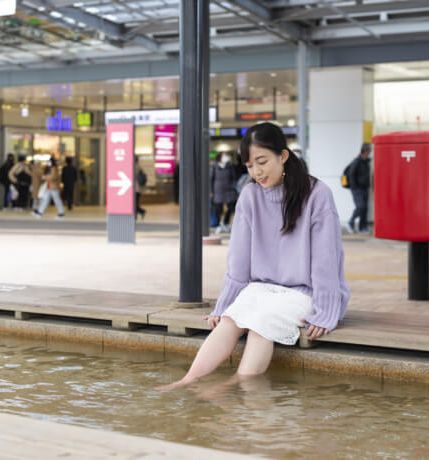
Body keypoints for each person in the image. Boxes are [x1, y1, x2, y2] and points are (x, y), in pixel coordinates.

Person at [158, 122, 349, 391]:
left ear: (283, 156)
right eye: (249, 165)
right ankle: (188, 380)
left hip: (304, 293)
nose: (256, 172)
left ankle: (236, 383)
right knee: (229, 321)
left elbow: (326, 259)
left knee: (261, 324)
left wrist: (326, 311)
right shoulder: (249, 195)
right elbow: (238, 258)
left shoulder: (317, 194)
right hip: (262, 288)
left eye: (262, 162)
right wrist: (223, 306)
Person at [345, 143, 372, 235]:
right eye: (370, 150)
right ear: (365, 151)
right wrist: (354, 187)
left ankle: (362, 227)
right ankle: (350, 223)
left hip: (365, 188)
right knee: (360, 207)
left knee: (365, 209)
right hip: (357, 189)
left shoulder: (367, 161)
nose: (371, 152)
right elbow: (351, 174)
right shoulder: (357, 161)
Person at [210, 152, 238, 234]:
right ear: (219, 157)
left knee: (231, 207)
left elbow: (234, 178)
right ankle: (219, 225)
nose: (226, 157)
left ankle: (225, 223)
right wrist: (211, 191)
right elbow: (210, 179)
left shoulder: (230, 167)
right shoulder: (214, 167)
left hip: (229, 190)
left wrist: (234, 187)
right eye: (224, 156)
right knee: (218, 209)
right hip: (217, 191)